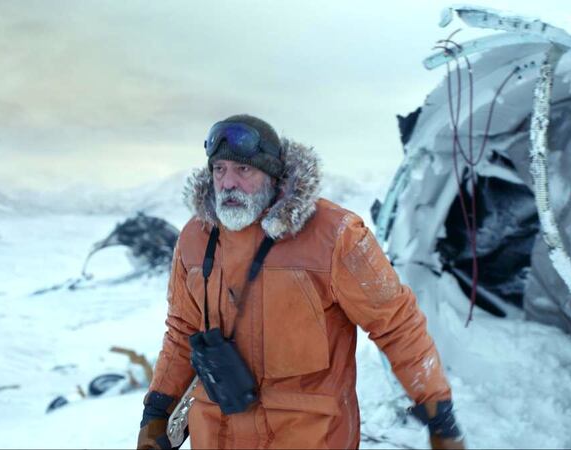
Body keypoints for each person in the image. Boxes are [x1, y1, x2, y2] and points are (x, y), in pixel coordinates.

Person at [137, 115, 465, 449]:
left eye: (243, 169)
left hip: (308, 437)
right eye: (219, 169)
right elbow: (182, 331)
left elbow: (396, 324)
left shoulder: (335, 236)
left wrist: (438, 413)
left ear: (272, 173)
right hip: (215, 436)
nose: (228, 182)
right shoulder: (196, 239)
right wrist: (156, 411)